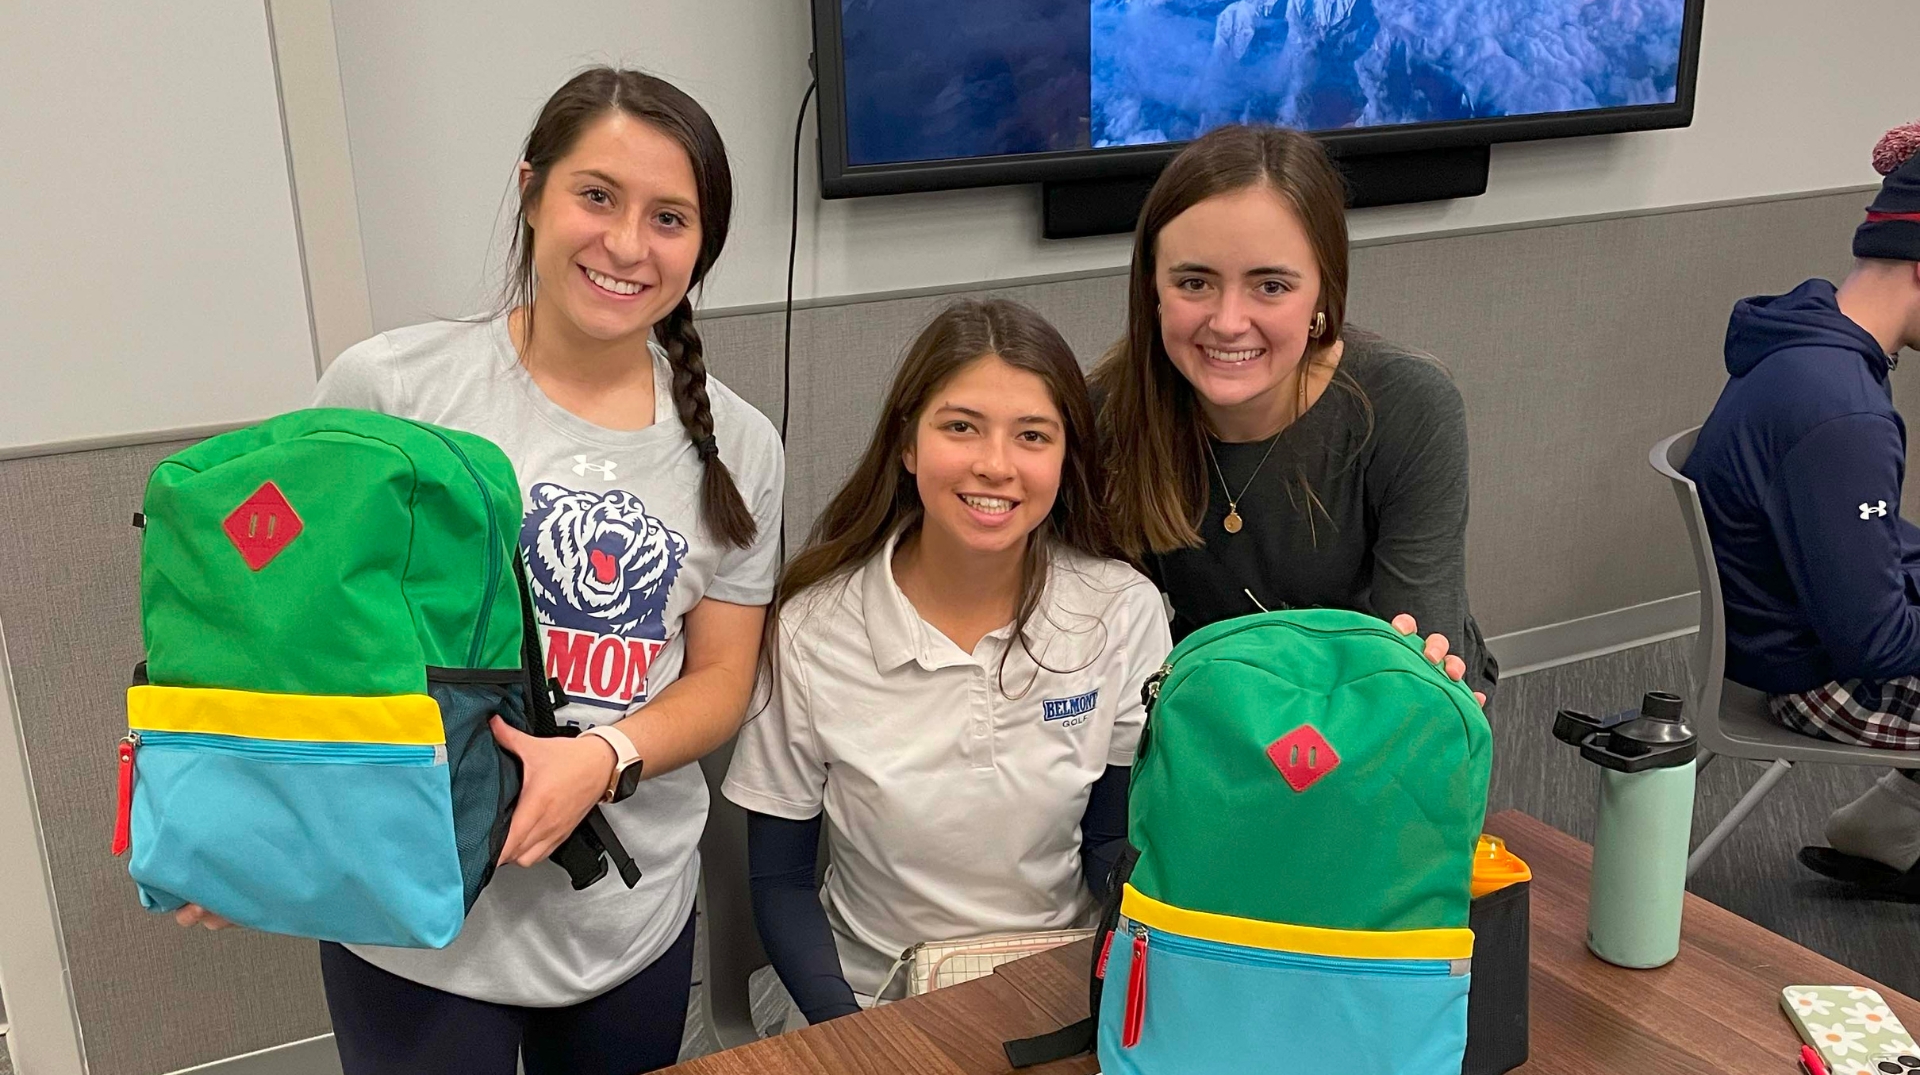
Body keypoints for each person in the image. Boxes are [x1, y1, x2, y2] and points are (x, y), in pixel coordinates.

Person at [175, 67, 786, 1073]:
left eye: (669, 217)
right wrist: (240, 812)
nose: (628, 244)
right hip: (416, 924)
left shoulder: (740, 444)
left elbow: (722, 679)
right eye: (597, 196)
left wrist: (605, 758)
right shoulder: (393, 385)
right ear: (533, 192)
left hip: (624, 923)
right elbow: (275, 614)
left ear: (701, 244)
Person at [721, 299, 1169, 1023]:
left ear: (1065, 459)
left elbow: (1109, 842)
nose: (994, 465)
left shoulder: (1120, 610)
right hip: (870, 996)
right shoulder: (811, 629)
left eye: (1032, 435)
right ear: (908, 444)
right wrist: (857, 1035)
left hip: (1062, 985)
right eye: (960, 427)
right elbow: (780, 881)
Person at [1094, 124, 1495, 702]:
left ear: (1322, 297)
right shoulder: (1105, 413)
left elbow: (1416, 679)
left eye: (1272, 286)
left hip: (1365, 707)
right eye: (1194, 281)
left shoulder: (1408, 404)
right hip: (1219, 708)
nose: (1229, 321)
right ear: (1152, 288)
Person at [1685, 120, 1920, 894]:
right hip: (1811, 681)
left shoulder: (1805, 343)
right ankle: (1889, 824)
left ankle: (1887, 832)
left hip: (1776, 638)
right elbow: (1877, 644)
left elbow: (1863, 544)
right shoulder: (1843, 411)